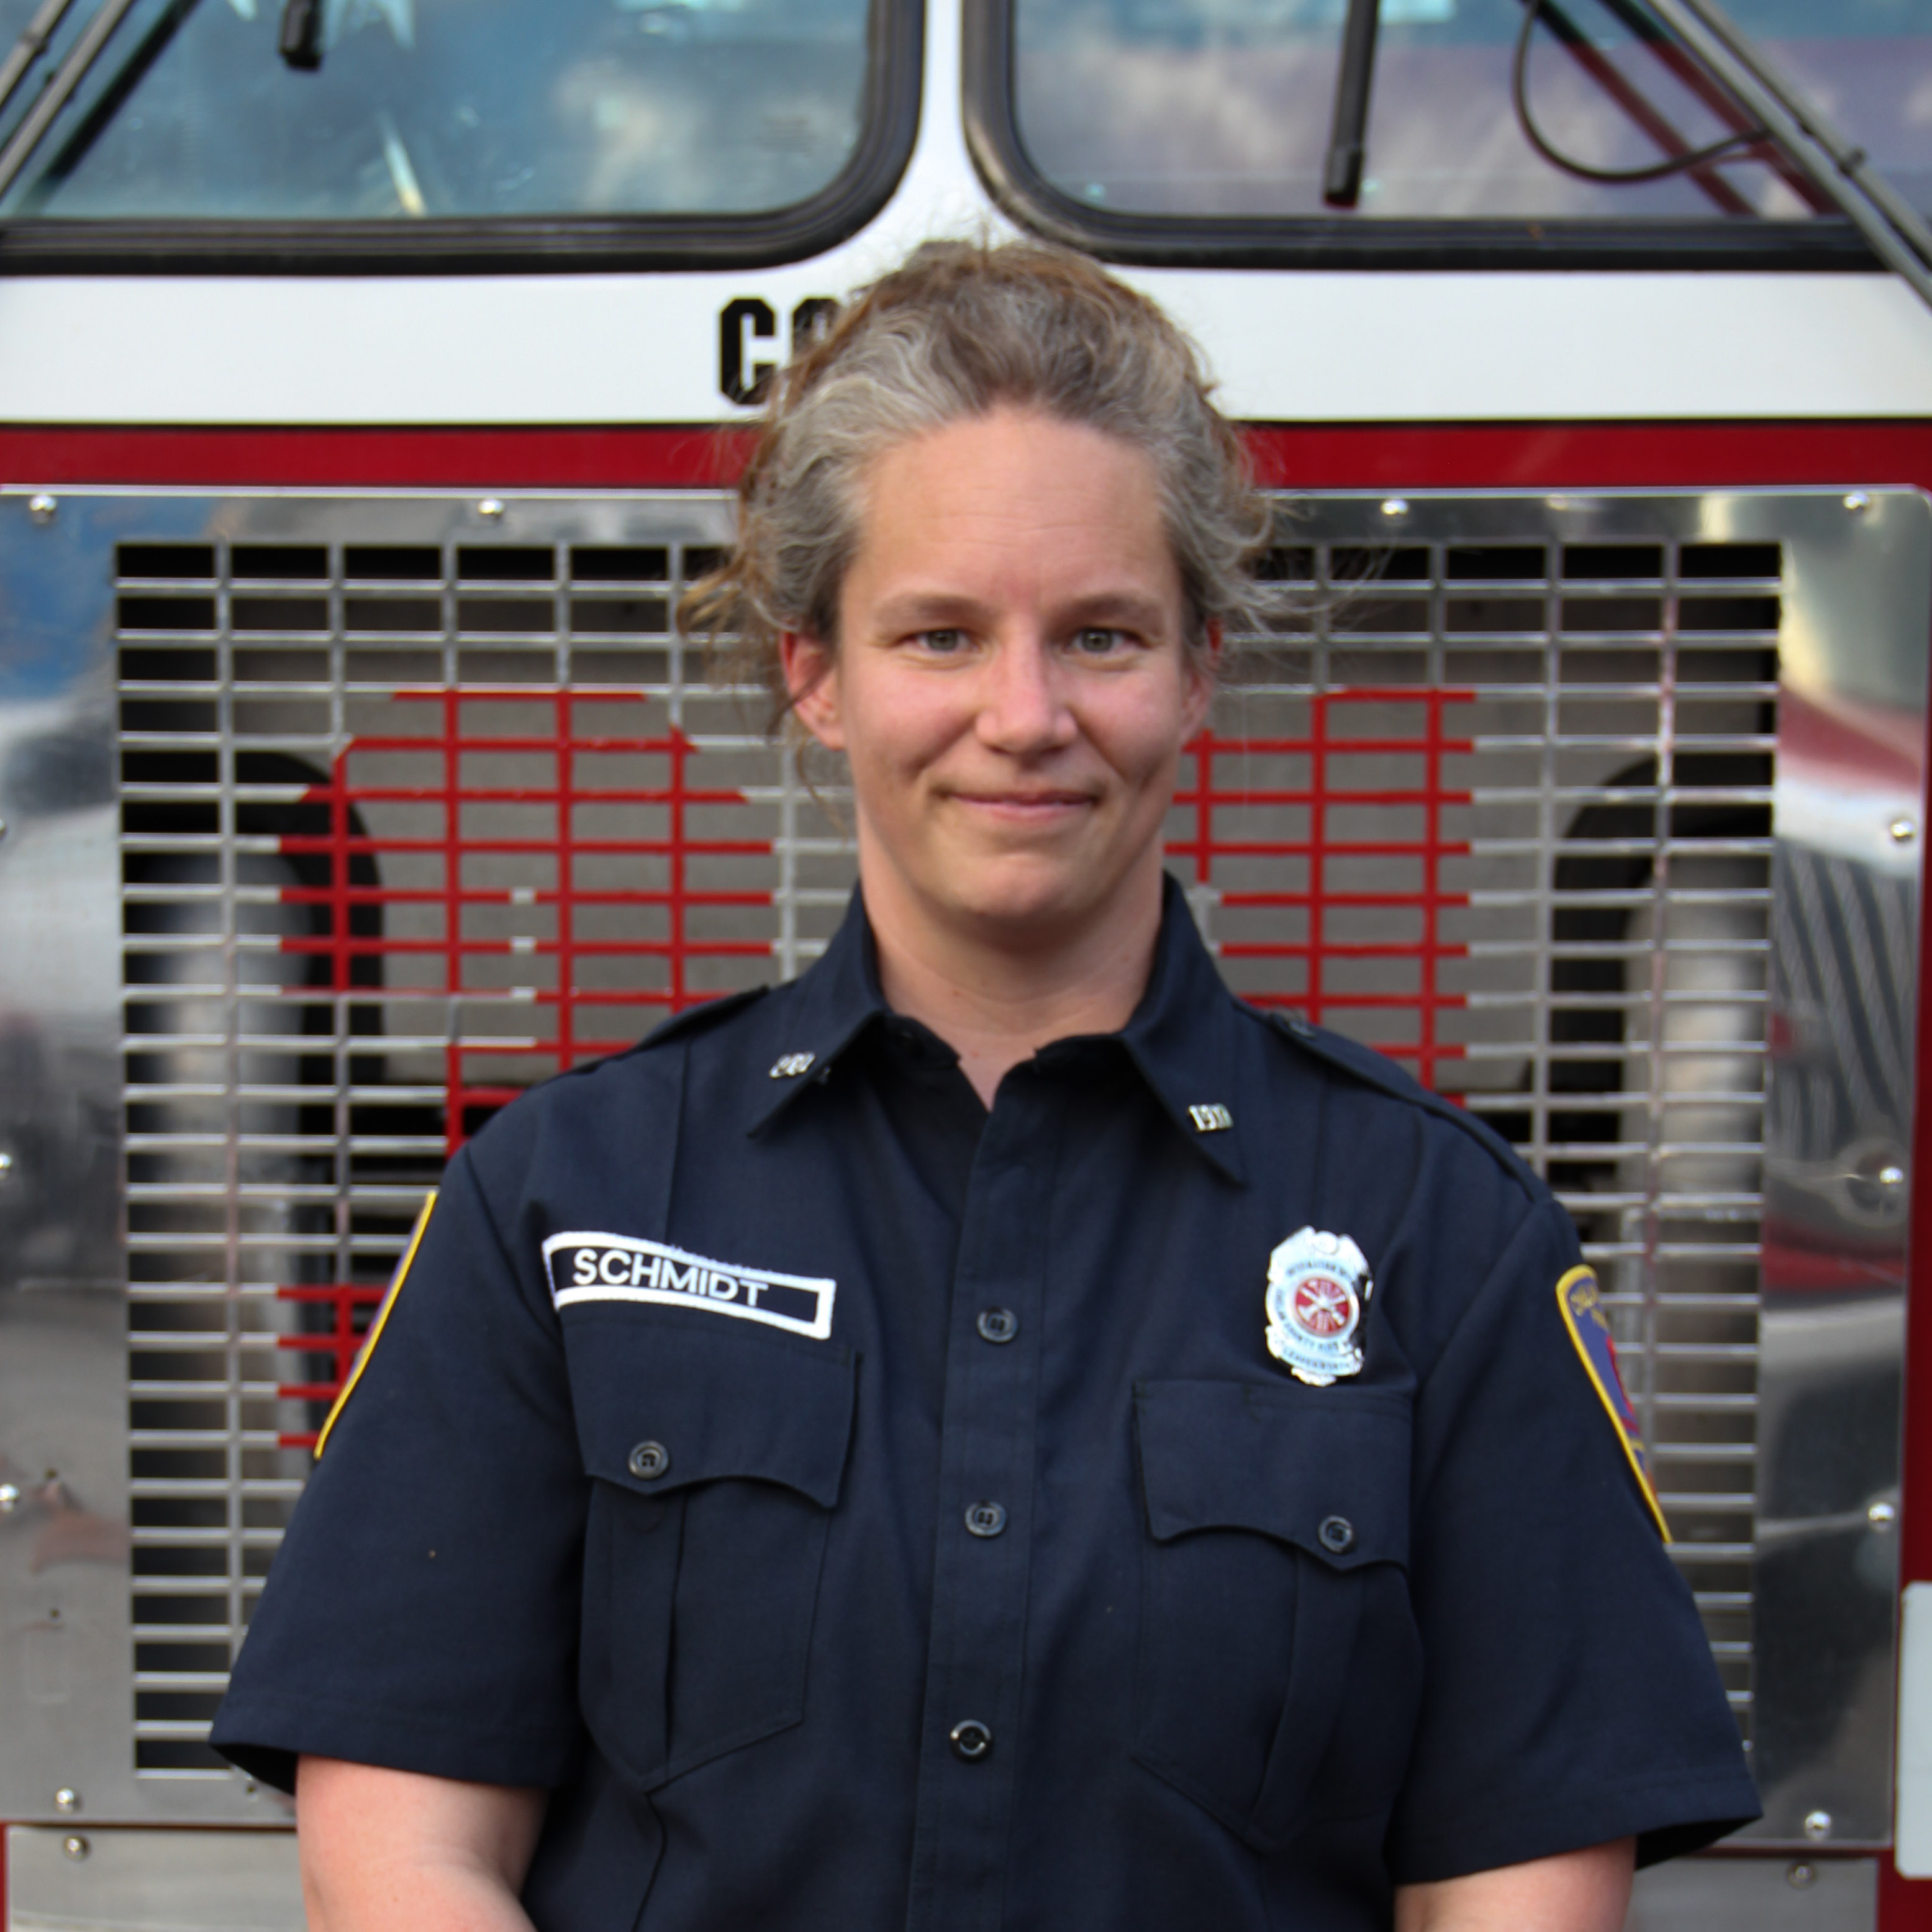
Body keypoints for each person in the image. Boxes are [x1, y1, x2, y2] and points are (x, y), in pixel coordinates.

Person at [211, 239, 1759, 1931]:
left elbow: (1523, 1883)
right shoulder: (559, 1198)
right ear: (816, 672)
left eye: (1099, 635)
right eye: (939, 635)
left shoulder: (1445, 1236)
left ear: (1197, 672)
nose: (1023, 717)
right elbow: (403, 1843)